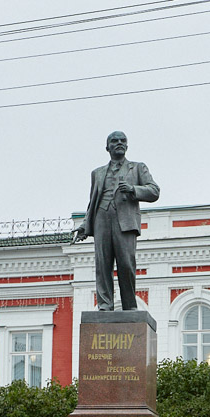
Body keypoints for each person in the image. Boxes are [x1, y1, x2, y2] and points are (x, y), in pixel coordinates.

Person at [72, 131, 160, 311]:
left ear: (127, 146)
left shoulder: (137, 168)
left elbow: (154, 191)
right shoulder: (97, 173)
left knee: (126, 264)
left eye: (122, 140)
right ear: (107, 147)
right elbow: (93, 202)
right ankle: (105, 306)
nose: (119, 143)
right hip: (101, 219)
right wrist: (85, 225)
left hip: (125, 222)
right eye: (114, 141)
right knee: (102, 265)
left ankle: (129, 307)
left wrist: (133, 189)